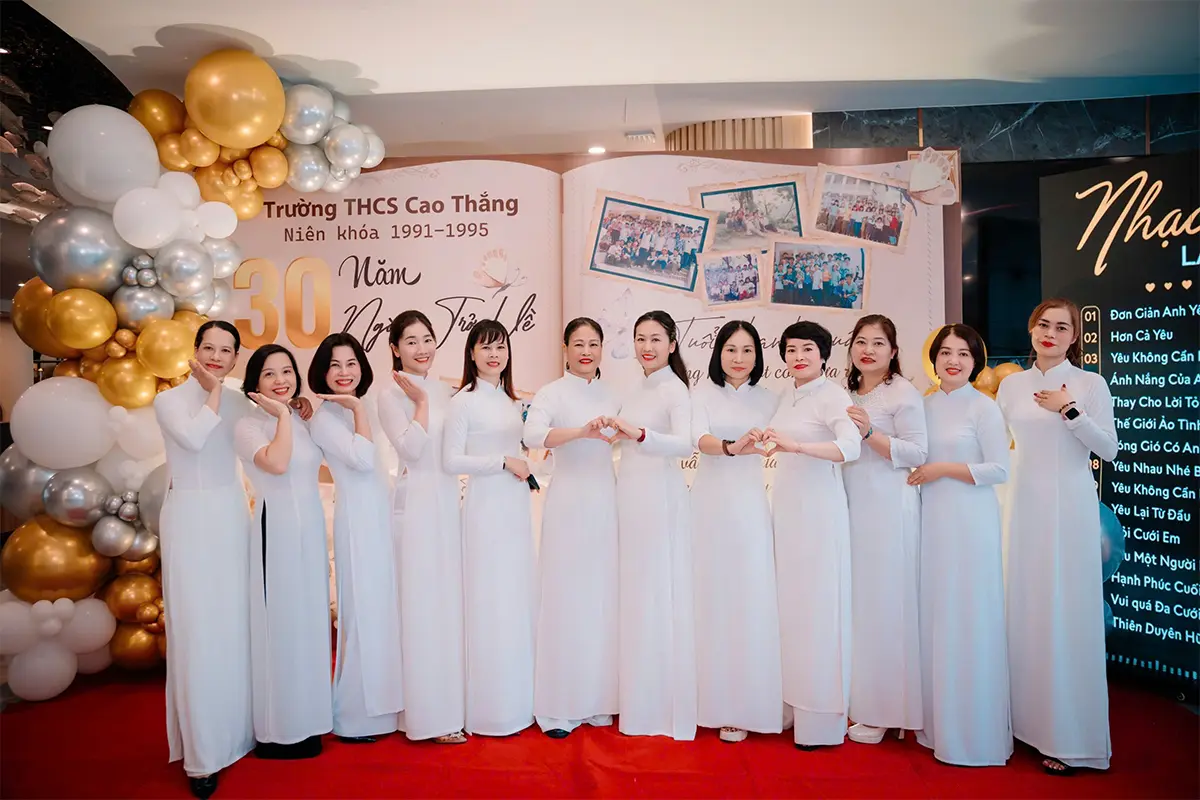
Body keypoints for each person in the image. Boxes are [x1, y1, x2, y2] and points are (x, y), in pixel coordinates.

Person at [998, 298, 1118, 775]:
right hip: (1021, 504)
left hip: (1069, 507)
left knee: (1066, 613)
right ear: (1031, 329)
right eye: (1043, 324)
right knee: (1024, 608)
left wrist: (1069, 410)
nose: (1051, 333)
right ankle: (1023, 723)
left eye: (1062, 327)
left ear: (1074, 337)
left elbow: (1108, 449)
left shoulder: (1089, 384)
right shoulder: (1011, 385)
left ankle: (1069, 736)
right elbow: (997, 445)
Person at [154, 321, 253, 799]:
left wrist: (294, 409)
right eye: (209, 348)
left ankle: (241, 732)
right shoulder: (169, 400)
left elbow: (267, 439)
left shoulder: (240, 401)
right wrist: (214, 392)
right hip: (189, 518)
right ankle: (202, 757)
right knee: (197, 633)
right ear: (195, 351)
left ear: (235, 357)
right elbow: (194, 439)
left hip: (231, 514)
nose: (216, 357)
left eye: (226, 350)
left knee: (234, 625)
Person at [911, 324, 1012, 766]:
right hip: (930, 519)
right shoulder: (922, 405)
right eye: (946, 353)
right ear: (933, 358)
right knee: (937, 614)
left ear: (976, 361)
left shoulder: (983, 408)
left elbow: (999, 469)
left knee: (969, 616)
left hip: (971, 522)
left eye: (963, 354)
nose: (953, 361)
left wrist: (943, 469)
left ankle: (974, 734)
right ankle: (938, 726)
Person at [763, 321, 861, 749]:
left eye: (807, 348)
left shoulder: (833, 395)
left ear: (823, 354)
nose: (798, 356)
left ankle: (819, 720)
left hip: (819, 512)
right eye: (791, 349)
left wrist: (798, 447)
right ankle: (789, 703)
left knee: (819, 610)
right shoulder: (787, 395)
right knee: (790, 608)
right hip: (787, 508)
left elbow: (850, 447)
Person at [522, 317, 620, 738]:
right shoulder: (551, 392)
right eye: (578, 344)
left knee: (601, 596)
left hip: (605, 499)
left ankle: (596, 700)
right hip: (567, 501)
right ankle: (560, 706)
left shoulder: (613, 394)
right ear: (565, 348)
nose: (586, 351)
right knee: (565, 595)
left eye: (593, 344)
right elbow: (533, 435)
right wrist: (581, 432)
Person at [234, 344, 333, 760]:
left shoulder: (301, 418)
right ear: (254, 382)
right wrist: (282, 417)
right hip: (275, 529)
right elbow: (277, 463)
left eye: (287, 371)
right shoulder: (247, 425)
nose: (281, 380)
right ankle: (278, 730)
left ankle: (308, 720)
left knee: (309, 624)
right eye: (269, 373)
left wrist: (295, 414)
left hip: (310, 529)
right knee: (282, 626)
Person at [308, 332, 404, 742]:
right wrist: (356, 409)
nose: (344, 372)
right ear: (322, 372)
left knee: (383, 611)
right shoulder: (323, 419)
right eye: (334, 365)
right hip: (358, 520)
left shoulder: (364, 407)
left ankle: (386, 707)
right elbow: (363, 459)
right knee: (361, 612)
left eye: (351, 363)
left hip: (383, 516)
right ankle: (355, 715)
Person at [378, 310, 468, 744]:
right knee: (421, 607)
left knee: (447, 606)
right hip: (414, 505)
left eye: (427, 338)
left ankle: (451, 705)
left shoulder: (448, 390)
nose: (422, 348)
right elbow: (412, 450)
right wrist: (421, 404)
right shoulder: (389, 394)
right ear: (395, 348)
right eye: (411, 341)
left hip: (448, 501)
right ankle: (425, 716)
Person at [690, 320, 782, 744]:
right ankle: (702, 700)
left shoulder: (772, 399)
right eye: (731, 349)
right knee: (707, 597)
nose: (739, 358)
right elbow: (699, 439)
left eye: (747, 350)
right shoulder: (701, 393)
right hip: (707, 506)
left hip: (749, 508)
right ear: (718, 353)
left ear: (758, 356)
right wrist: (731, 446)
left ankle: (743, 704)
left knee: (748, 598)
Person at [443, 319, 536, 737]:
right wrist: (501, 462)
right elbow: (451, 461)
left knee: (515, 597)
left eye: (500, 347)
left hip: (515, 505)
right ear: (471, 353)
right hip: (485, 507)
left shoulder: (511, 401)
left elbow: (522, 448)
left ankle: (518, 701)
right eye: (485, 347)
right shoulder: (463, 401)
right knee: (488, 599)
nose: (494, 354)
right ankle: (489, 709)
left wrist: (524, 461)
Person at [607, 310, 696, 740]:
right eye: (640, 338)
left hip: (659, 497)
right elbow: (625, 436)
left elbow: (685, 444)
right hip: (630, 493)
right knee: (636, 590)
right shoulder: (636, 387)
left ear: (672, 344)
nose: (647, 346)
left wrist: (640, 433)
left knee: (657, 590)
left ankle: (657, 706)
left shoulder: (674, 388)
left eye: (656, 339)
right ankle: (635, 696)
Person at [841, 314, 926, 744]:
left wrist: (870, 433)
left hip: (888, 506)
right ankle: (858, 699)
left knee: (885, 604)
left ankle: (887, 710)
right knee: (857, 604)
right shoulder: (844, 392)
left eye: (878, 343)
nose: (868, 350)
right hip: (849, 504)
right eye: (861, 341)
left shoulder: (903, 393)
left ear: (893, 351)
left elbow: (917, 452)